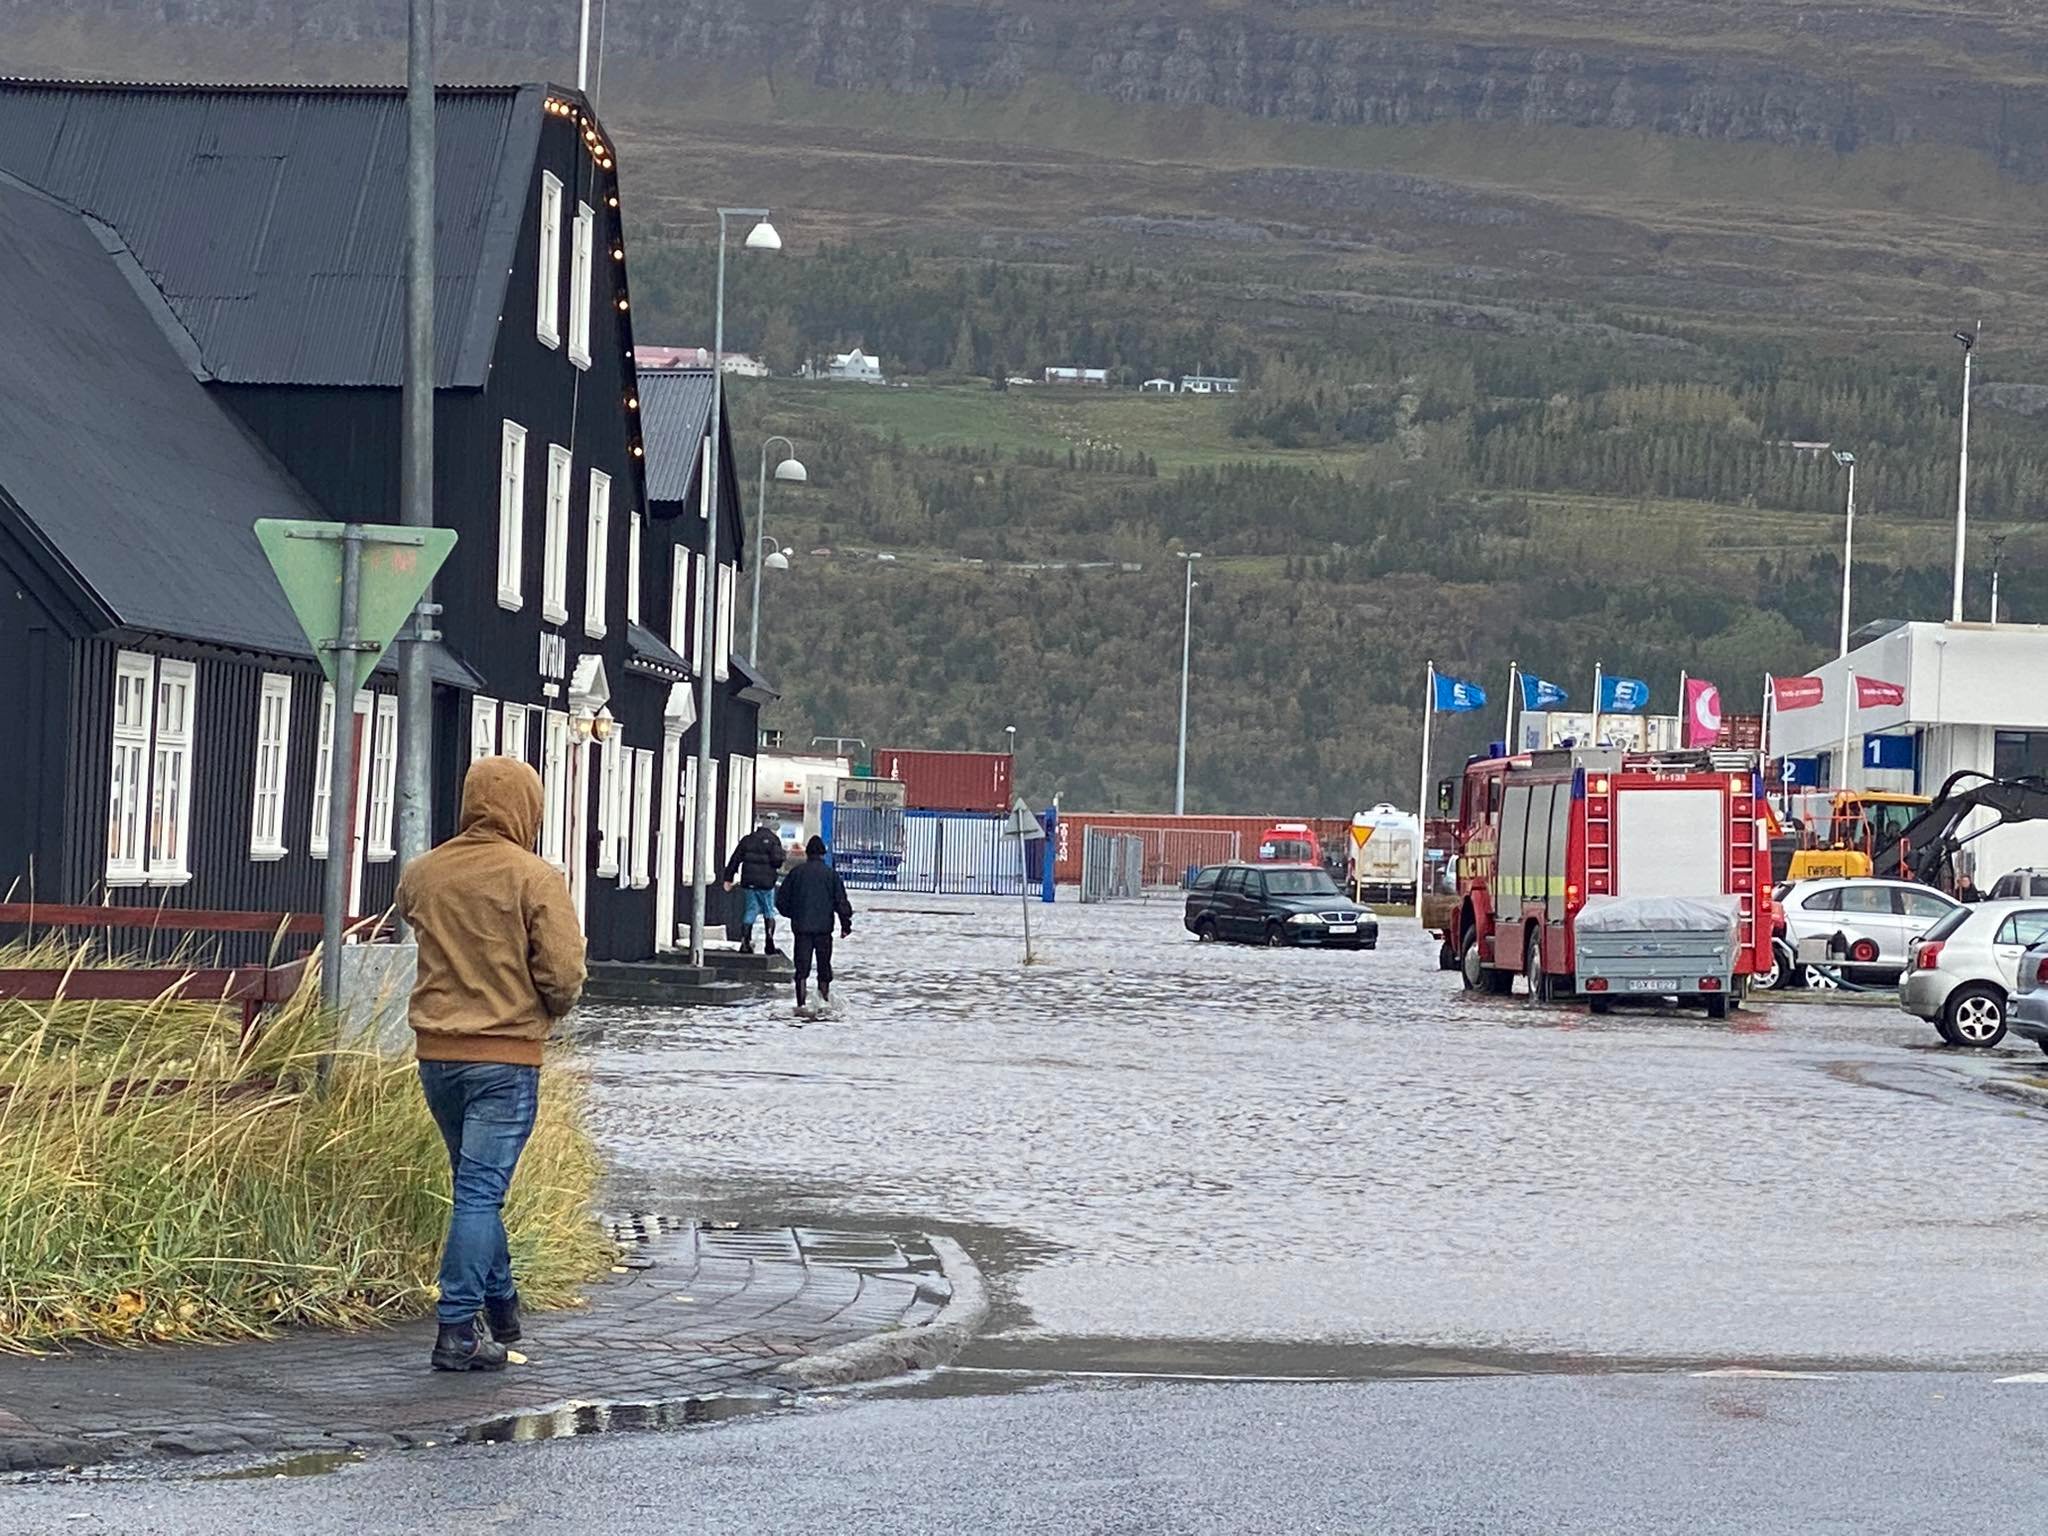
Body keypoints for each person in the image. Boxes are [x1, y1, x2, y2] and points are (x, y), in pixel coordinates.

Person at [396, 757, 587, 1373]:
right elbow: (564, 973)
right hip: (505, 1056)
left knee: (474, 1187)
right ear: (528, 809)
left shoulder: (423, 873)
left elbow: (413, 921)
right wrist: (547, 1009)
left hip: (437, 1056)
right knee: (481, 1194)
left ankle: (502, 1308)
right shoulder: (536, 878)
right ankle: (457, 1330)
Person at [774, 836, 854, 1017]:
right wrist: (845, 925)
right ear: (823, 854)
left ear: (807, 853)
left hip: (801, 929)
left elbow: (781, 901)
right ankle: (824, 1003)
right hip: (824, 930)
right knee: (824, 966)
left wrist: (793, 914)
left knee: (801, 969)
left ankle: (800, 1004)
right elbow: (841, 902)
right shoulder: (831, 875)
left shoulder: (796, 874)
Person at [722, 813, 787, 955]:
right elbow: (777, 862)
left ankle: (745, 942)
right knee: (768, 911)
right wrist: (783, 855)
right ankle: (769, 942)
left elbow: (735, 859)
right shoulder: (774, 841)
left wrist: (728, 877)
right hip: (766, 883)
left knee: (750, 910)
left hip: (749, 882)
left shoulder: (748, 839)